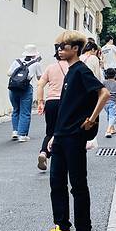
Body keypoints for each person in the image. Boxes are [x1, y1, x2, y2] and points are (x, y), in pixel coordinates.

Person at [35, 30, 109, 231]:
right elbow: (67, 108)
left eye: (63, 47)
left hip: (75, 137)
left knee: (77, 185)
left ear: (75, 49)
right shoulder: (69, 72)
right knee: (56, 183)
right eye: (58, 47)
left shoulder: (80, 71)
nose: (59, 51)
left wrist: (92, 119)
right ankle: (62, 228)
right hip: (61, 136)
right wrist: (54, 136)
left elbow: (104, 94)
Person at [36, 38, 69, 171]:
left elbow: (40, 85)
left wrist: (40, 102)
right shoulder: (72, 67)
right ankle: (62, 158)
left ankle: (44, 152)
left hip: (51, 102)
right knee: (65, 131)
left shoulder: (50, 68)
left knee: (50, 131)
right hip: (66, 102)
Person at [7, 45, 43, 141]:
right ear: (35, 54)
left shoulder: (17, 61)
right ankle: (22, 135)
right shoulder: (36, 63)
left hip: (13, 88)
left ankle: (15, 131)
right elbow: (40, 77)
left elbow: (9, 73)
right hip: (26, 88)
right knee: (25, 112)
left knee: (16, 109)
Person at [103, 68, 116, 138]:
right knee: (112, 116)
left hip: (104, 103)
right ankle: (108, 131)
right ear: (115, 75)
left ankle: (112, 129)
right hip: (112, 102)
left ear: (106, 75)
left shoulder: (104, 83)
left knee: (109, 115)